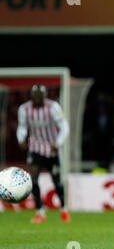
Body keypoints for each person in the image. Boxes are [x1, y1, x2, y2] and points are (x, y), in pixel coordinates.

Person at [16, 84, 70, 223]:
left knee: (56, 181)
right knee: (33, 179)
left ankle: (63, 209)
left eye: (41, 95)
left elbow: (64, 126)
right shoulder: (24, 109)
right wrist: (21, 139)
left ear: (45, 96)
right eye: (36, 95)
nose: (38, 98)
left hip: (52, 148)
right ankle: (40, 211)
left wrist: (58, 143)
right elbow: (22, 127)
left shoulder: (53, 107)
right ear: (32, 96)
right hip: (35, 148)